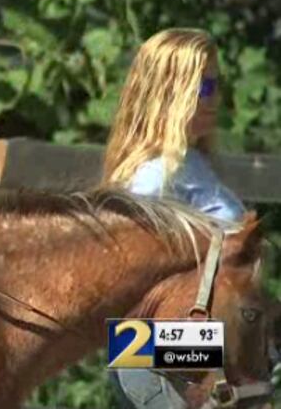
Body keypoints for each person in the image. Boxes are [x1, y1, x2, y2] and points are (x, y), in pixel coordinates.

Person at [101, 28, 245, 408]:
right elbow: (129, 285)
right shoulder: (153, 176)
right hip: (155, 353)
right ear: (171, 93)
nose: (214, 99)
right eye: (204, 88)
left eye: (215, 86)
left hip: (184, 344)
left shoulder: (190, 165)